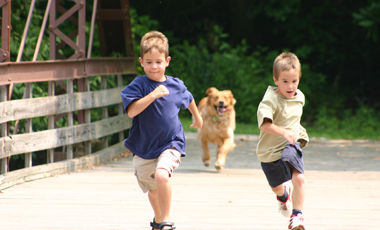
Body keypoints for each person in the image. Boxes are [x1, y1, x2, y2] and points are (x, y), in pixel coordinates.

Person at [121, 31, 203, 230]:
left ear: (167, 61)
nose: (154, 66)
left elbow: (188, 97)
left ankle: (165, 220)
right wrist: (153, 95)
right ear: (141, 62)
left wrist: (197, 117)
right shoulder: (139, 85)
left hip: (171, 142)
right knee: (153, 189)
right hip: (144, 146)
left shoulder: (176, 85)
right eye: (148, 62)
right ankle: (158, 220)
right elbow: (132, 112)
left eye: (158, 61)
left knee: (161, 176)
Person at [256, 52, 309, 230]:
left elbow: (293, 116)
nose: (290, 86)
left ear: (299, 79)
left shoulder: (299, 96)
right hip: (269, 152)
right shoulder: (269, 101)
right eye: (285, 81)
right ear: (276, 80)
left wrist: (297, 129)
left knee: (299, 179)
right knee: (277, 188)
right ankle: (282, 195)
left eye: (294, 81)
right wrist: (283, 131)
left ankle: (297, 216)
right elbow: (264, 125)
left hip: (290, 145)